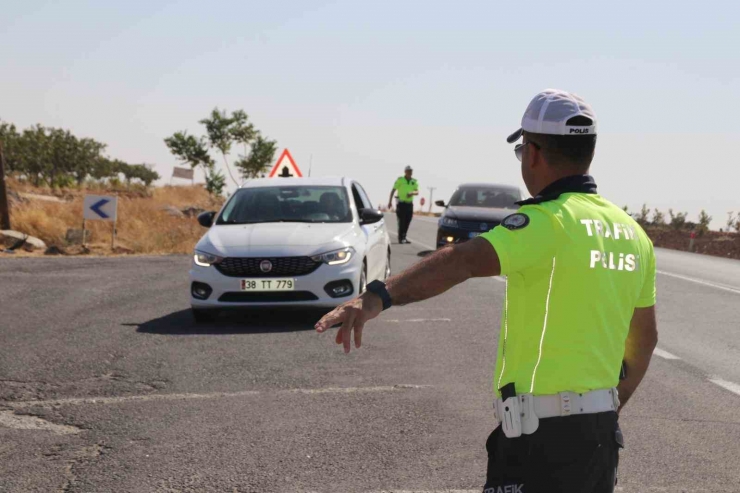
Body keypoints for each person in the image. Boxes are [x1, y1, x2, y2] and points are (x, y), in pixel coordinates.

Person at [316, 89, 658, 493]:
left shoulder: (548, 221)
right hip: (598, 438)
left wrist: (375, 296)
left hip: (541, 439)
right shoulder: (633, 234)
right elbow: (646, 340)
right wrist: (607, 407)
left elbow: (461, 260)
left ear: (532, 152)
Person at [388, 165, 419, 244]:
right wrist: (390, 202)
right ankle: (401, 238)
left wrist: (412, 193)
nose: (410, 172)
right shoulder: (400, 180)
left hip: (409, 204)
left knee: (408, 220)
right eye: (408, 171)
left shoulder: (414, 181)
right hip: (401, 204)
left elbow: (417, 191)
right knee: (401, 221)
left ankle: (404, 236)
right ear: (405, 172)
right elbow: (393, 190)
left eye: (411, 171)